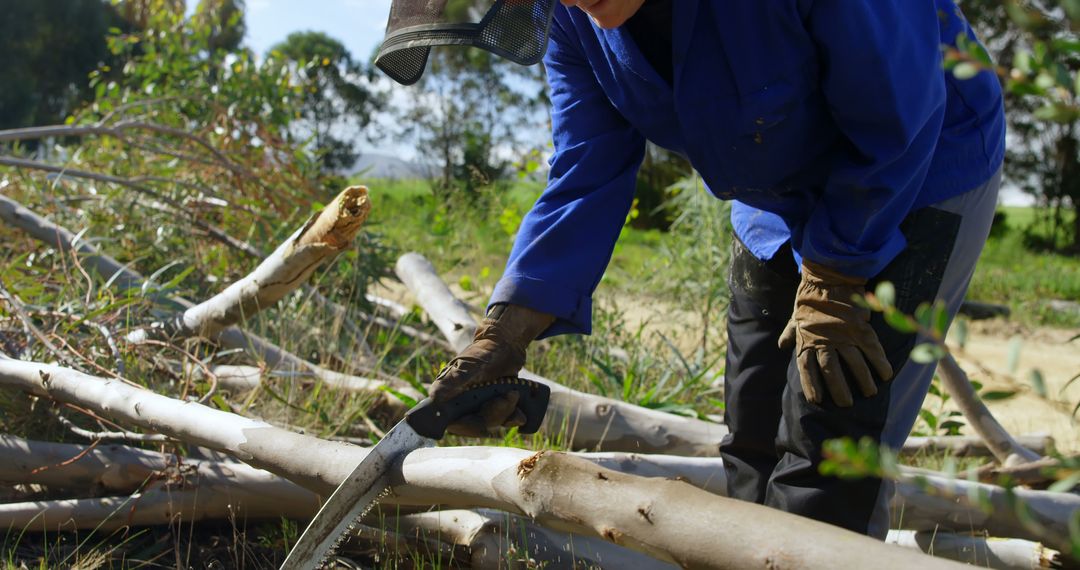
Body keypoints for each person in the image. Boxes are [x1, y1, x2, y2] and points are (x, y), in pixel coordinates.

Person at [375, 0, 1005, 537]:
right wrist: (502, 336)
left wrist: (836, 280)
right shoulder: (575, 23)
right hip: (774, 197)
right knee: (751, 440)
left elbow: (900, 110)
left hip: (913, 174)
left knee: (829, 456)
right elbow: (584, 172)